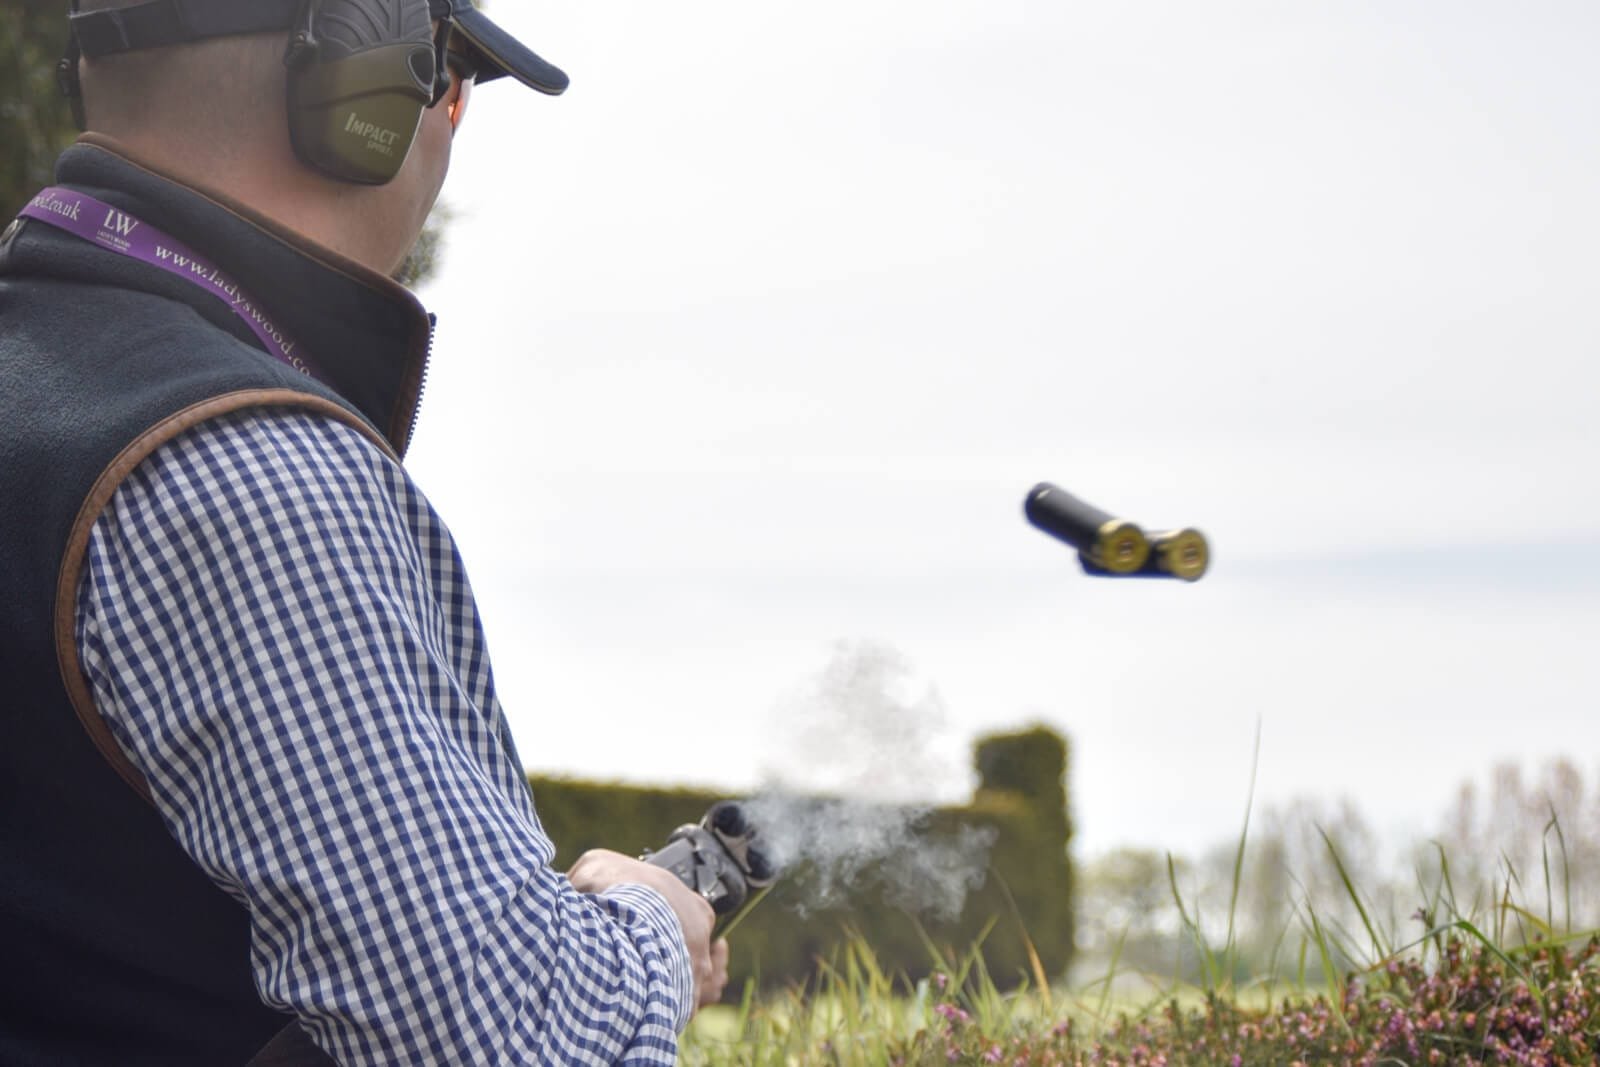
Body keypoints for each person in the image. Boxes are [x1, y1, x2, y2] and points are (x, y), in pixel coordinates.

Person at [0, 1, 727, 1063]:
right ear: (360, 94)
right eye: (456, 83)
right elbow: (501, 1040)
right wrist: (655, 914)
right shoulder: (248, 472)